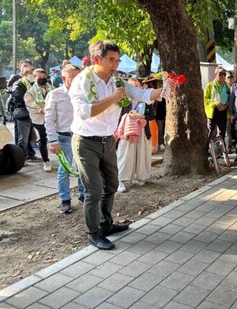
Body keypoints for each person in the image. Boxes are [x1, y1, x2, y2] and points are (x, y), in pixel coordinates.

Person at [70, 40, 167, 250]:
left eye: (117, 60)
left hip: (108, 141)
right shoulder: (82, 81)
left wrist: (165, 90)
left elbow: (141, 94)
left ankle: (106, 224)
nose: (116, 64)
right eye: (111, 60)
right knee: (94, 190)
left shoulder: (118, 82)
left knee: (112, 185)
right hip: (86, 142)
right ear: (97, 60)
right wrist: (113, 98)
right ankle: (94, 233)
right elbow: (84, 112)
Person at [45, 64, 85, 213]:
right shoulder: (55, 94)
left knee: (83, 167)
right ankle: (65, 200)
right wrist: (53, 141)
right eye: (73, 77)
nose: (77, 80)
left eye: (78, 77)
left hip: (81, 136)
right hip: (63, 137)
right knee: (64, 170)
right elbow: (49, 119)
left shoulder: (84, 93)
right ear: (64, 78)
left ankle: (83, 195)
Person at [115, 78, 154, 193]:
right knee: (124, 154)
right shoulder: (123, 101)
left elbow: (152, 115)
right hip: (127, 131)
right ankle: (120, 180)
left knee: (141, 154)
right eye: (132, 86)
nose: (135, 88)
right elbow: (117, 116)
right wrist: (130, 115)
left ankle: (140, 177)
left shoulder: (145, 101)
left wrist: (142, 116)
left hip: (142, 131)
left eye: (137, 86)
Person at [24, 69, 53, 172]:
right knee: (42, 140)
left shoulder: (51, 88)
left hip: (51, 118)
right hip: (38, 119)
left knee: (56, 139)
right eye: (39, 77)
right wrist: (41, 109)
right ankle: (46, 161)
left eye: (43, 77)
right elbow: (29, 103)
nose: (42, 79)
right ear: (35, 78)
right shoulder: (31, 91)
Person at [11, 65, 40, 162]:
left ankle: (29, 154)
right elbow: (18, 97)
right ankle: (20, 159)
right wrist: (31, 100)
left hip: (32, 113)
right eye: (32, 73)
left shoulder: (33, 84)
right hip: (23, 113)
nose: (33, 75)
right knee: (23, 138)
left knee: (31, 137)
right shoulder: (19, 84)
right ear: (26, 73)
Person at [204, 67, 230, 143]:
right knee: (210, 133)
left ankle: (221, 150)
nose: (222, 76)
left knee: (222, 133)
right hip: (213, 112)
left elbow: (230, 99)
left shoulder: (228, 87)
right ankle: (207, 151)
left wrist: (225, 106)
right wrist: (215, 103)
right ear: (215, 75)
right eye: (220, 74)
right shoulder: (209, 85)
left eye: (224, 74)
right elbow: (205, 99)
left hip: (224, 111)